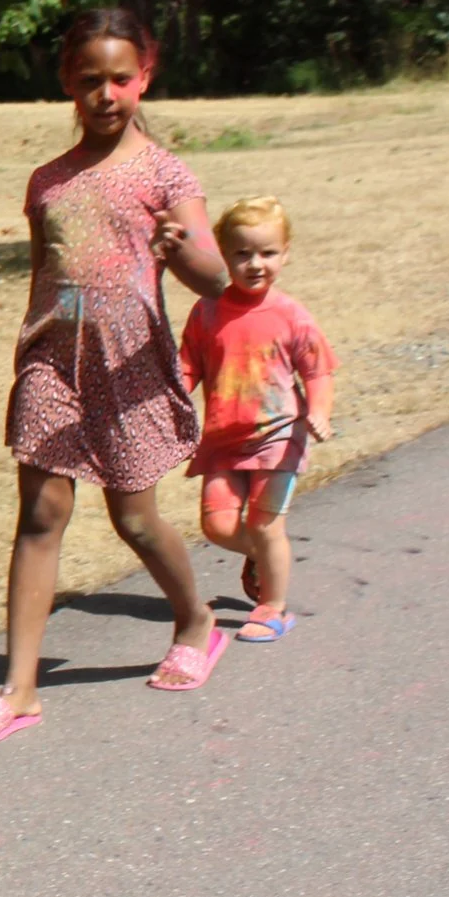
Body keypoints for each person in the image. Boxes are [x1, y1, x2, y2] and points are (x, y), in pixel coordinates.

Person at [0, 8, 233, 745]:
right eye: (90, 80)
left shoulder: (166, 172)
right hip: (55, 360)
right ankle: (18, 689)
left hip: (130, 362)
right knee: (41, 515)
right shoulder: (48, 181)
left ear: (145, 76)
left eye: (120, 78)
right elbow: (48, 274)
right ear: (67, 85)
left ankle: (196, 620)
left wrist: (181, 250)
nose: (106, 93)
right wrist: (29, 352)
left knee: (134, 519)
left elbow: (214, 277)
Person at [179, 195, 336, 643]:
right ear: (224, 256)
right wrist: (167, 398)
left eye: (267, 253)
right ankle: (265, 558)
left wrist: (320, 412)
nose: (255, 264)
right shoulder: (206, 310)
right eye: (242, 253)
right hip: (223, 439)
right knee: (218, 525)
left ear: (285, 254)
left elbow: (318, 371)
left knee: (266, 526)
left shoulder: (291, 316)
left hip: (279, 438)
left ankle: (274, 607)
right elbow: (188, 364)